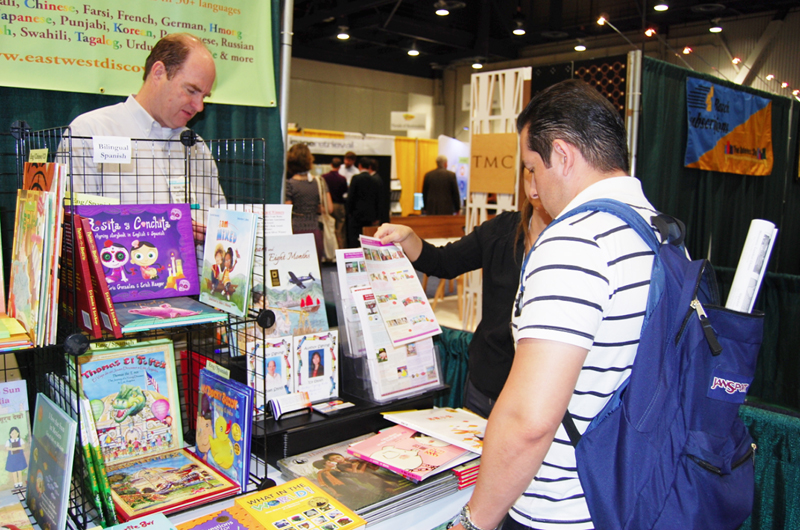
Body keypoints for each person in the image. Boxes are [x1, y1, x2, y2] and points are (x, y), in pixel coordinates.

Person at [451, 79, 660, 530]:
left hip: (559, 506)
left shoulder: (575, 242)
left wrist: (475, 521)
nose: (533, 188)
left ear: (562, 155)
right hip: (629, 491)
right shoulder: (659, 231)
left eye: (532, 167)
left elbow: (530, 419)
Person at [374, 168, 552, 418]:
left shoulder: (577, 243)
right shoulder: (502, 229)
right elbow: (444, 261)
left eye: (542, 173)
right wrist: (408, 237)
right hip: (486, 385)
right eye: (529, 171)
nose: (533, 188)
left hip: (542, 395)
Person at [63, 33, 226, 222]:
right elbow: (75, 228)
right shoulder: (91, 132)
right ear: (158, 73)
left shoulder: (196, 147)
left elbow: (219, 225)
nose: (199, 106)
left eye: (204, 96)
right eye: (191, 91)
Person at [285, 143, 333, 260]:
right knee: (315, 270)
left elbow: (286, 210)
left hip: (294, 230)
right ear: (309, 160)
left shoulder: (288, 185)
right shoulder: (320, 182)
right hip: (314, 230)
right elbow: (329, 209)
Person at [346, 157, 386, 247]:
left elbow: (351, 197)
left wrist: (349, 212)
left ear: (359, 166)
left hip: (356, 215)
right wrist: (377, 216)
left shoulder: (356, 178)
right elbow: (379, 199)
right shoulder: (375, 180)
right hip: (370, 215)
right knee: (368, 239)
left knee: (355, 239)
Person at [321, 157, 348, 249]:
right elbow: (345, 192)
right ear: (340, 166)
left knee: (328, 229)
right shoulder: (342, 179)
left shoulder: (324, 178)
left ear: (331, 165)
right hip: (339, 205)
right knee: (340, 229)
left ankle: (330, 250)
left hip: (327, 205)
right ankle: (340, 249)